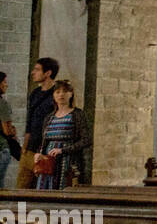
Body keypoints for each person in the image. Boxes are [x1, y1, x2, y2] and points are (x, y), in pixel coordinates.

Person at [36, 80, 91, 190]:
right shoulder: (49, 117)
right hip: (49, 164)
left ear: (71, 94)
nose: (61, 95)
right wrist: (39, 154)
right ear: (53, 95)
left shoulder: (77, 114)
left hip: (68, 162)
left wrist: (63, 150)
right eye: (57, 92)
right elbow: (44, 141)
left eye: (65, 91)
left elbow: (86, 140)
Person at [17, 57, 58, 189]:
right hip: (30, 149)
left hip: (44, 150)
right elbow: (30, 121)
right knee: (21, 187)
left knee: (41, 188)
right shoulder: (35, 93)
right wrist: (25, 146)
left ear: (48, 73)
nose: (33, 73)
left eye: (37, 69)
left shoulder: (57, 94)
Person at [0, 72, 16, 188]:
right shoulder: (2, 103)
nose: (6, 85)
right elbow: (7, 131)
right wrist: (13, 131)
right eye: (4, 81)